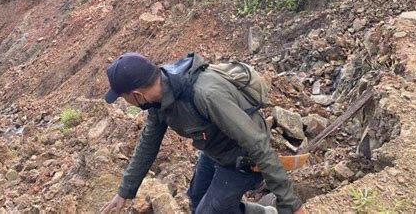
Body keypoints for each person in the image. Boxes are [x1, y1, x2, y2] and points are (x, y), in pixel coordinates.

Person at [100, 52, 306, 214]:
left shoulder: (204, 95)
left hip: (243, 158)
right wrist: (125, 191)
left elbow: (258, 144)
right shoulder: (157, 101)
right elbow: (148, 144)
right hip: (214, 148)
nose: (124, 101)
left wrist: (291, 204)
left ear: (136, 95)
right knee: (196, 200)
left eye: (123, 97)